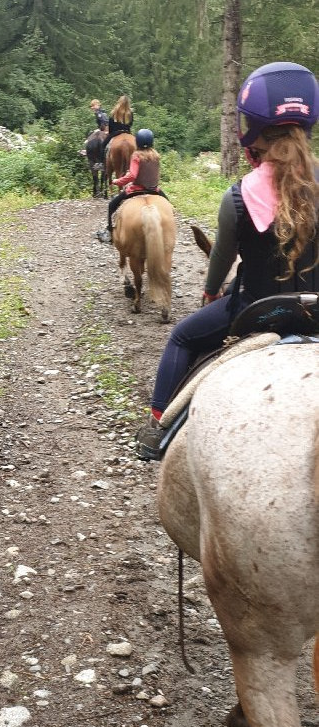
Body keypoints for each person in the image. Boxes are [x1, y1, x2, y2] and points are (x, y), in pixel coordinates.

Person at [136, 61, 319, 461]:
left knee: (182, 337)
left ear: (251, 127)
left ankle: (158, 426)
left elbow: (222, 256)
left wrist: (208, 290)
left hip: (258, 308)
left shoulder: (239, 195)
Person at [97, 128, 167, 243]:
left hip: (137, 189)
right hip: (154, 189)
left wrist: (118, 181)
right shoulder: (156, 156)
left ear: (138, 142)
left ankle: (109, 232)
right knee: (169, 206)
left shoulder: (136, 156)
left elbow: (133, 175)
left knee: (111, 205)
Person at [100, 95, 134, 160]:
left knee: (103, 145)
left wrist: (110, 133)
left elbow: (111, 123)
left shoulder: (114, 112)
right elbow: (131, 123)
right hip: (127, 132)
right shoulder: (130, 113)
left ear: (119, 102)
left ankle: (101, 163)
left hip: (115, 133)